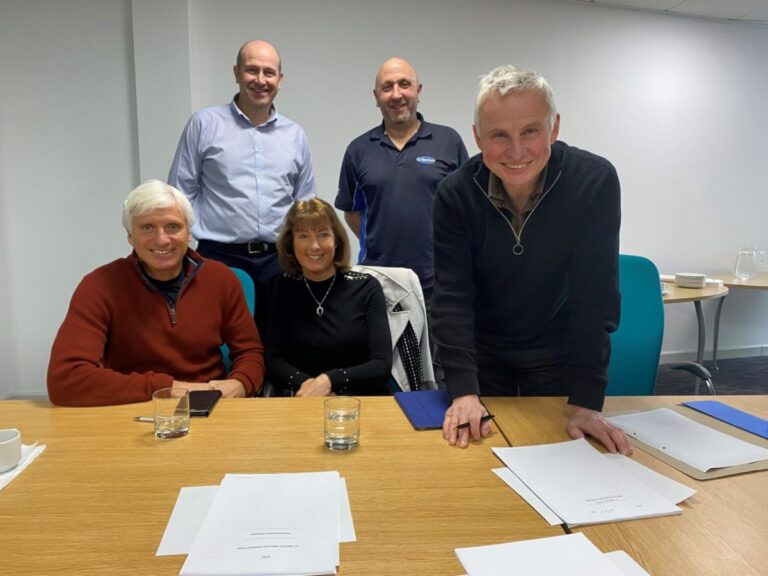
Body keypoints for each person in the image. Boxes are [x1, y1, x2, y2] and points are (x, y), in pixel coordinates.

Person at [432, 65, 631, 454]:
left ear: (554, 128)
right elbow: (452, 300)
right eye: (499, 136)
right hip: (482, 352)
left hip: (558, 351)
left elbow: (595, 298)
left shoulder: (594, 182)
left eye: (530, 131)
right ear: (477, 137)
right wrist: (463, 391)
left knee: (562, 456)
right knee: (476, 458)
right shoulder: (454, 194)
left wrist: (587, 400)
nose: (517, 151)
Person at [47, 180, 264, 407]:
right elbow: (65, 379)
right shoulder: (99, 286)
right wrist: (170, 389)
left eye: (172, 226)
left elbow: (251, 352)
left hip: (211, 404)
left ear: (189, 233)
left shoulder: (221, 279)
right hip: (133, 408)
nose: (161, 239)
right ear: (130, 235)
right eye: (147, 227)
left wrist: (240, 383)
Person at [168, 39, 316, 334]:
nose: (260, 80)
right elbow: (179, 195)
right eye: (252, 70)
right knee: (217, 341)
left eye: (269, 73)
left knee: (278, 344)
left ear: (280, 80)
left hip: (279, 261)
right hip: (219, 258)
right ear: (236, 73)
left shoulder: (295, 135)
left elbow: (305, 205)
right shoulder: (204, 124)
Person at [335, 57, 468, 305]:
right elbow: (353, 213)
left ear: (418, 91)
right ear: (376, 97)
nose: (396, 95)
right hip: (378, 283)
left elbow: (467, 208)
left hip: (439, 283)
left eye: (404, 84)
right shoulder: (358, 150)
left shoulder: (449, 141)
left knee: (437, 346)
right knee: (384, 346)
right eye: (387, 87)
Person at [265, 198, 392, 396]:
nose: (315, 246)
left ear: (337, 240)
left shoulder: (366, 287)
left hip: (363, 400)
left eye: (323, 235)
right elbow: (273, 359)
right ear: (291, 243)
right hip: (305, 400)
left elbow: (382, 364)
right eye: (304, 236)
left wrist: (330, 381)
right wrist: (310, 386)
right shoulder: (285, 286)